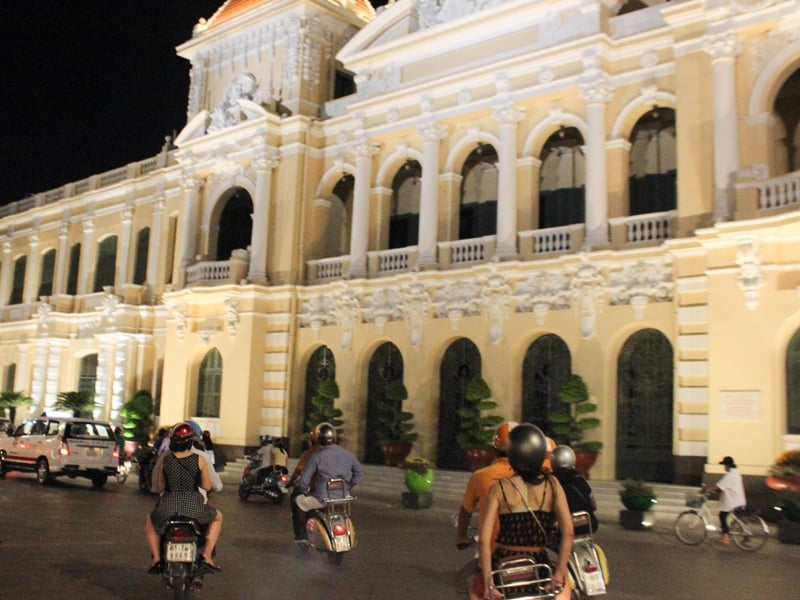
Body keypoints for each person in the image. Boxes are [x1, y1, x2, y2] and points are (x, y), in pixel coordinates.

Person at [479, 423, 573, 600]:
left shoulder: (499, 488)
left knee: (470, 585)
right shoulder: (553, 485)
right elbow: (568, 532)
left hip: (503, 568)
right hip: (539, 568)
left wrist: (487, 584)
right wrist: (559, 575)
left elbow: (484, 540)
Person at [145, 422, 224, 574]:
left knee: (150, 520)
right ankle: (207, 555)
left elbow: (160, 487)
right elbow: (207, 487)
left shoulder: (166, 460)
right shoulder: (199, 459)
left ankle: (156, 559)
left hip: (168, 507)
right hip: (194, 507)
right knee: (218, 517)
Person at [459, 421, 518, 600]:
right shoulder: (539, 480)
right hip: (534, 557)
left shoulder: (481, 477)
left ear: (494, 449)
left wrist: (461, 536)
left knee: (472, 584)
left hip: (495, 555)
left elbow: (466, 512)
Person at [295, 423, 363, 537]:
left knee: (299, 501)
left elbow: (304, 480)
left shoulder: (316, 456)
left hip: (322, 499)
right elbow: (359, 473)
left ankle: (303, 535)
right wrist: (349, 486)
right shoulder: (348, 455)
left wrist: (303, 490)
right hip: (342, 498)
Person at [288, 424, 325, 542]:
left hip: (312, 490)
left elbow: (298, 470)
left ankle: (301, 536)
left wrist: (290, 482)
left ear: (311, 441)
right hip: (329, 491)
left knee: (296, 501)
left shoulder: (309, 454)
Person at [550, 445, 598, 533]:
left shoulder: (551, 480)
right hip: (588, 523)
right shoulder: (579, 478)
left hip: (563, 526)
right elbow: (593, 504)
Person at [706, 456, 746, 544]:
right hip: (738, 500)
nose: (724, 467)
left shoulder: (730, 475)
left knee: (722, 516)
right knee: (738, 519)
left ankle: (725, 537)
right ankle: (745, 536)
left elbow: (719, 486)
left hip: (733, 501)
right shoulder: (736, 473)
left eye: (724, 465)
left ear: (727, 465)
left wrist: (708, 490)